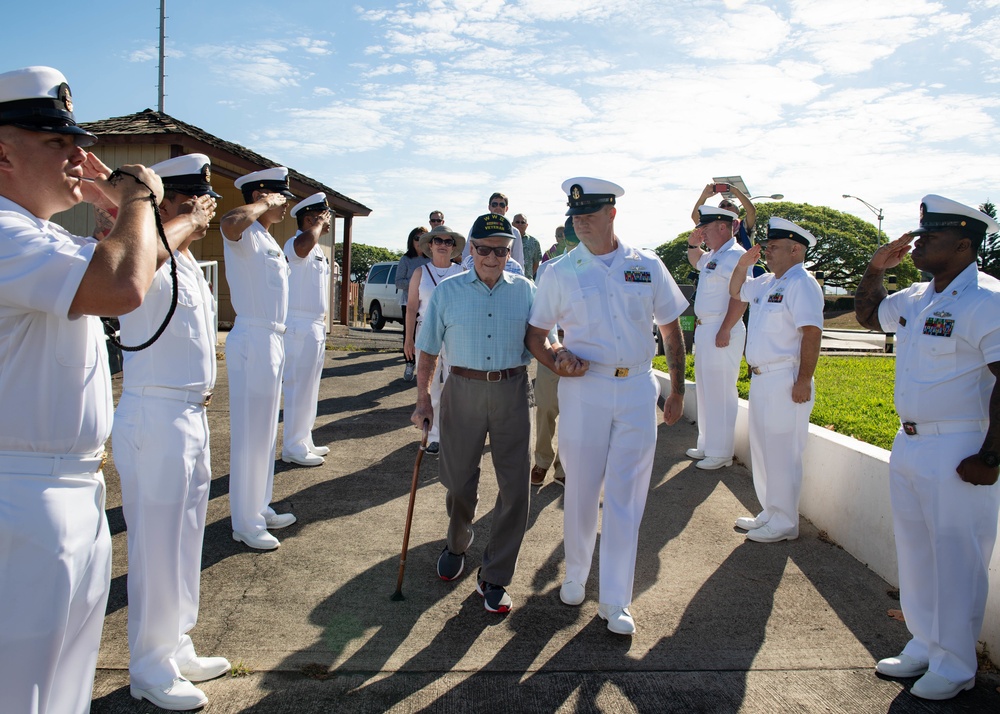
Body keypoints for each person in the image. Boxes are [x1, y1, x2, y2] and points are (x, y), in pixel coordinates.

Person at [0, 66, 164, 714]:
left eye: (76, 140)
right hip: (21, 496)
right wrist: (139, 202)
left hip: (70, 488)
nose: (78, 156)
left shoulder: (35, 236)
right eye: (55, 140)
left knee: (62, 695)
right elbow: (122, 282)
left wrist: (120, 218)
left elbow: (116, 268)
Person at [526, 177, 688, 636]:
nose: (580, 223)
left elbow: (671, 329)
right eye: (574, 216)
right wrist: (557, 355)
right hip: (586, 389)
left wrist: (675, 390)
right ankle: (575, 573)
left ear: (612, 214)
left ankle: (616, 599)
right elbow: (538, 335)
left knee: (627, 497)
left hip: (638, 387)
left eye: (589, 215)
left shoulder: (648, 265)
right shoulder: (559, 271)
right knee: (580, 486)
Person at [854, 195, 1000, 701]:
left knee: (957, 557)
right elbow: (869, 317)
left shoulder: (987, 300)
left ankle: (957, 663)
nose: (915, 245)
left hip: (961, 443)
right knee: (916, 550)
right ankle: (925, 640)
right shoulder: (917, 297)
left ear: (963, 244)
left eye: (929, 238)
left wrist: (990, 457)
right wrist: (876, 268)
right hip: (911, 441)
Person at [111, 153, 231, 710]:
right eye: (189, 203)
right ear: (165, 204)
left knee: (185, 539)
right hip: (154, 414)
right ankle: (148, 668)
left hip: (191, 413)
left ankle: (176, 642)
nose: (200, 213)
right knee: (156, 545)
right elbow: (131, 269)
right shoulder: (146, 249)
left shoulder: (185, 261)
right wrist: (167, 218)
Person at [411, 213, 535, 614]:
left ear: (509, 252)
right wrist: (423, 400)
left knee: (516, 488)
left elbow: (544, 339)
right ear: (471, 251)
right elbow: (427, 348)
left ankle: (495, 575)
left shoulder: (528, 291)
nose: (492, 257)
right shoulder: (448, 292)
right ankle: (457, 541)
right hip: (460, 390)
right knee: (459, 482)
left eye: (501, 250)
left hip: (513, 391)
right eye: (483, 249)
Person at [728, 217, 824, 543]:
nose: (767, 251)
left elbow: (811, 332)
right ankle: (770, 512)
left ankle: (784, 522)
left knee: (783, 451)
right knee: (764, 449)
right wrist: (744, 263)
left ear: (795, 249)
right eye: (767, 246)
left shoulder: (802, 284)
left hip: (786, 377)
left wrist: (804, 379)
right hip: (761, 378)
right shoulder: (768, 282)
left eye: (773, 247)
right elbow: (736, 290)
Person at [221, 167, 297, 550]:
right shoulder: (245, 232)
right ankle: (245, 521)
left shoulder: (264, 238)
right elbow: (229, 221)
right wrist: (263, 203)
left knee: (266, 432)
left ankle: (259, 504)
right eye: (280, 197)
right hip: (253, 337)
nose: (285, 206)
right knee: (251, 433)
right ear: (263, 194)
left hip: (273, 338)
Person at [685, 206, 748, 470]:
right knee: (706, 389)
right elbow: (695, 260)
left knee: (721, 391)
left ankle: (721, 452)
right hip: (706, 328)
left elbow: (741, 295)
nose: (703, 235)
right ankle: (707, 444)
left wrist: (725, 329)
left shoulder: (736, 256)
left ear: (723, 227)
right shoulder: (714, 255)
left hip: (724, 328)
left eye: (706, 230)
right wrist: (691, 244)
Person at [403, 224, 466, 455]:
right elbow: (411, 308)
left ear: (453, 247)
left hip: (454, 334)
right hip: (425, 333)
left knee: (454, 384)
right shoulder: (420, 272)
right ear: (430, 245)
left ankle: (452, 433)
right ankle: (435, 434)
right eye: (438, 241)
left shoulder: (462, 273)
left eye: (448, 242)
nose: (442, 245)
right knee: (429, 387)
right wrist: (408, 339)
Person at [281, 192, 332, 467]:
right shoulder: (295, 243)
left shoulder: (318, 251)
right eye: (323, 217)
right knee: (298, 387)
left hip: (314, 324)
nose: (327, 223)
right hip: (298, 324)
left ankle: (304, 438)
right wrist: (314, 227)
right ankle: (292, 446)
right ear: (310, 219)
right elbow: (300, 247)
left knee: (310, 388)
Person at [530, 217, 580, 487]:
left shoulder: (597, 268)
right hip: (552, 343)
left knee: (574, 411)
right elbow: (541, 314)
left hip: (582, 348)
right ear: (561, 238)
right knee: (546, 406)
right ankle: (541, 460)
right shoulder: (548, 269)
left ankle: (563, 467)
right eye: (569, 236)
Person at [396, 226, 430, 381]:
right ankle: (409, 363)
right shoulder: (406, 259)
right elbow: (398, 282)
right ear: (411, 240)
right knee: (409, 334)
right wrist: (416, 282)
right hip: (408, 303)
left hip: (427, 304)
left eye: (423, 238)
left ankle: (426, 365)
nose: (419, 241)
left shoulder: (431, 259)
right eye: (417, 238)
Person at [462, 192, 525, 268]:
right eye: (494, 204)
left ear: (506, 208)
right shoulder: (478, 227)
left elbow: (518, 259)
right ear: (489, 207)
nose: (498, 207)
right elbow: (467, 254)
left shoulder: (514, 232)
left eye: (502, 205)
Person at [691, 181, 757, 252]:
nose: (726, 208)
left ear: (737, 211)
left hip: (742, 260)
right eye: (722, 206)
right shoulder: (713, 226)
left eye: (729, 205)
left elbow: (751, 212)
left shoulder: (743, 226)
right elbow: (695, 216)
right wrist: (704, 196)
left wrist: (734, 190)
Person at [513, 213, 541, 279]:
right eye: (517, 222)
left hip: (528, 280)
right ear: (512, 224)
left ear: (526, 225)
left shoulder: (534, 242)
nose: (520, 224)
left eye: (523, 222)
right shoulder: (507, 240)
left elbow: (536, 263)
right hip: (511, 280)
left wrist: (528, 276)